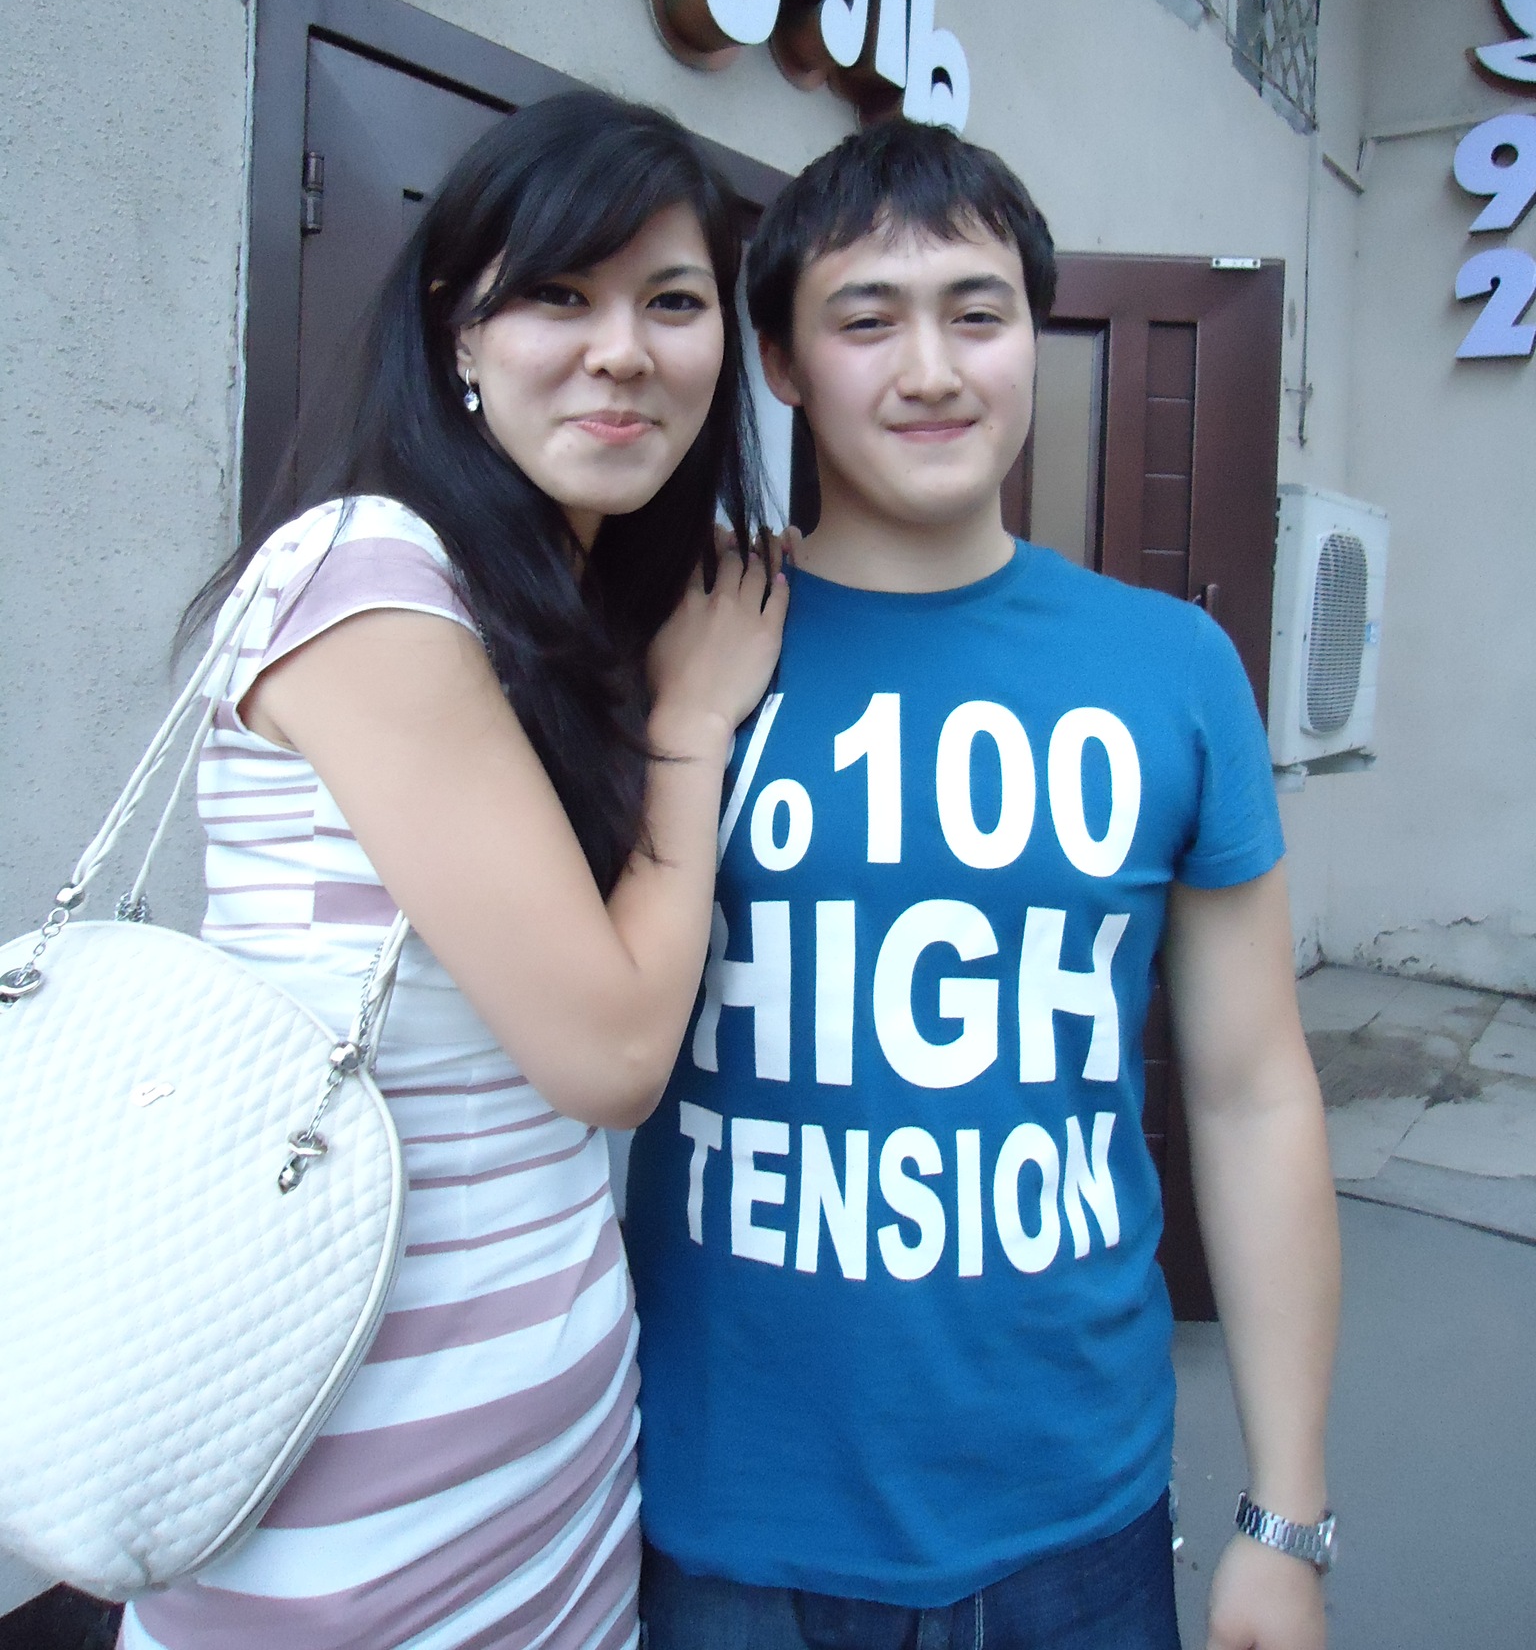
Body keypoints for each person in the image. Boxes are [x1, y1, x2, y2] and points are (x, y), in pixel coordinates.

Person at [625, 120, 1340, 1650]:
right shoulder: (676, 644)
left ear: (1033, 335)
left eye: (977, 312)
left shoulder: (1171, 669)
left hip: (1070, 1520)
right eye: (866, 319)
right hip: (725, 1520)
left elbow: (1252, 1092)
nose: (932, 370)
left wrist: (1287, 1516)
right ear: (781, 361)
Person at [120, 92, 786, 1650]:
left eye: (672, 302)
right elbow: (609, 1054)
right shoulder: (365, 575)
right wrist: (692, 725)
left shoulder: (561, 608)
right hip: (340, 1511)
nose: (622, 351)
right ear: (458, 332)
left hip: (556, 1477)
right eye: (559, 293)